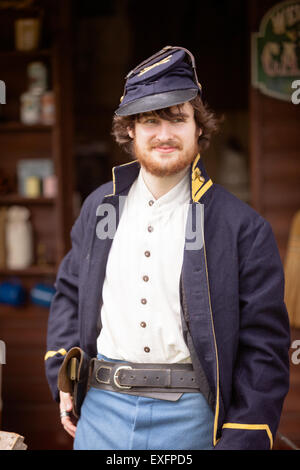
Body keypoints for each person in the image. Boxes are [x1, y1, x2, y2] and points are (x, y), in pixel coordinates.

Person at [45, 46, 290, 450]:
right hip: (101, 414)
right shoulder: (98, 208)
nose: (164, 134)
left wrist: (243, 436)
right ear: (130, 130)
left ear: (199, 128)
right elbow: (70, 292)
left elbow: (264, 347)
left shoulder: (242, 227)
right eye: (150, 120)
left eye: (178, 119)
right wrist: (63, 370)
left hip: (192, 418)